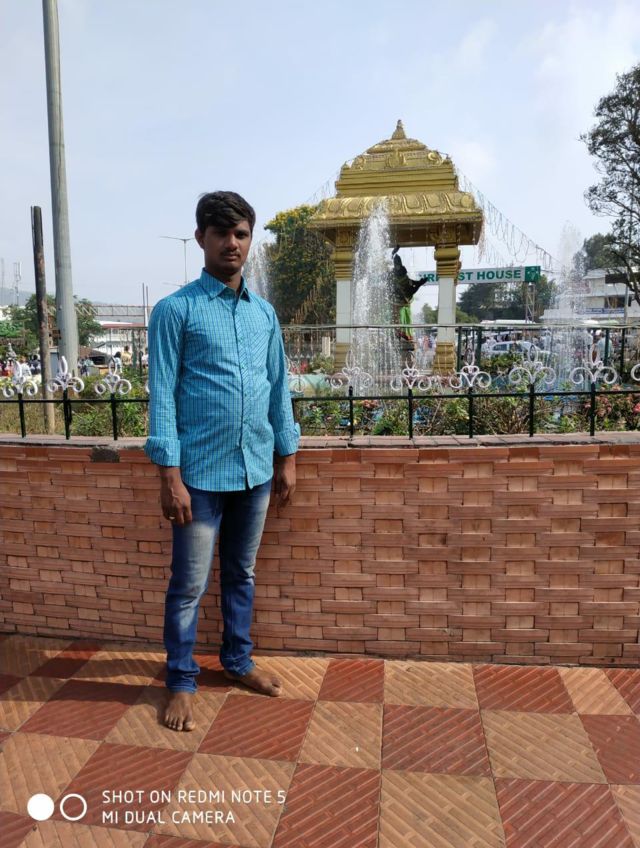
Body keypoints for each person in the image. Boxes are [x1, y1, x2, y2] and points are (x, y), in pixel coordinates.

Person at [145, 190, 298, 733]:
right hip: (199, 478)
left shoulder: (264, 314)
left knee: (241, 573)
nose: (232, 243)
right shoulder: (176, 311)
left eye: (241, 234)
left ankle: (237, 661)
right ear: (201, 239)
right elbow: (163, 397)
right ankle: (181, 680)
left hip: (255, 471)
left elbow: (278, 388)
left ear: (249, 239)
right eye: (221, 233)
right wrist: (170, 477)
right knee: (189, 585)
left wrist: (287, 457)